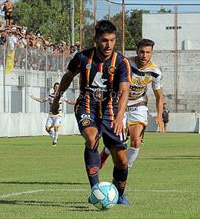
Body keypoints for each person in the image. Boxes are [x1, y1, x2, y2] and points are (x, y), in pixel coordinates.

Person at [50, 20, 131, 205]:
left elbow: (125, 90)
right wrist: (56, 100)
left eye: (112, 40)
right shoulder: (82, 58)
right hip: (87, 107)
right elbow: (68, 77)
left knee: (122, 160)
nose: (109, 45)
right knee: (92, 137)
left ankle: (119, 193)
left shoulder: (121, 62)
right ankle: (95, 190)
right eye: (104, 40)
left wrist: (120, 117)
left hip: (111, 111)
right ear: (95, 39)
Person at [99, 39, 164, 169]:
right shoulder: (125, 63)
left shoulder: (155, 72)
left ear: (151, 53)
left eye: (147, 52)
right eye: (141, 52)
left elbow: (159, 96)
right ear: (136, 51)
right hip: (120, 103)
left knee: (136, 141)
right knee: (118, 140)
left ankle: (124, 171)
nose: (144, 55)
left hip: (139, 104)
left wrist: (159, 116)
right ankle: (105, 154)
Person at [30, 82, 74, 147]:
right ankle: (55, 137)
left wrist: (77, 102)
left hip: (58, 115)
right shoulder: (50, 95)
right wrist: (34, 97)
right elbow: (42, 100)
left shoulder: (61, 96)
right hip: (51, 115)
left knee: (56, 126)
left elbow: (69, 101)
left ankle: (55, 142)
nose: (57, 88)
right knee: (47, 129)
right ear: (53, 88)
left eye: (58, 87)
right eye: (56, 87)